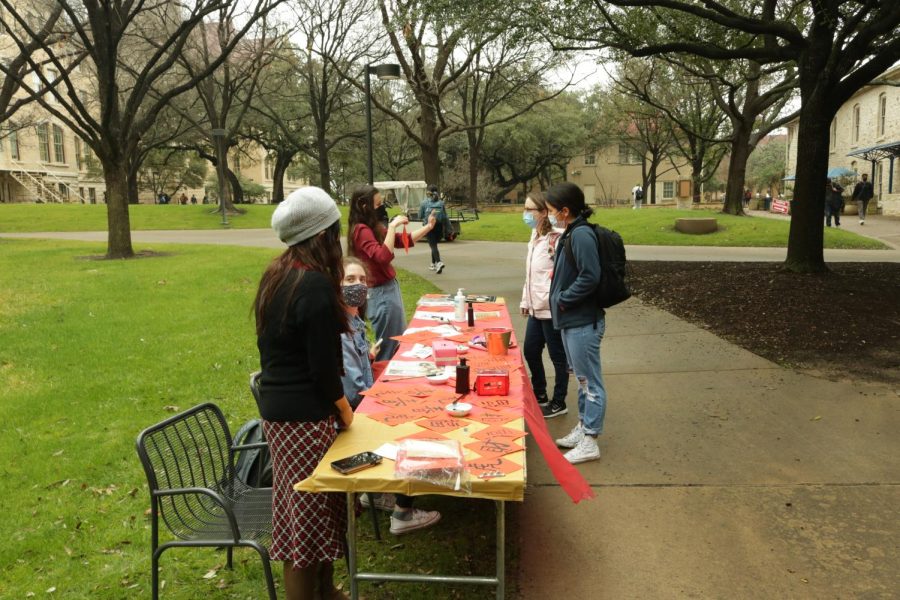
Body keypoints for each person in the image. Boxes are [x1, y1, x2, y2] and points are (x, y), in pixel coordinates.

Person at [253, 186, 353, 600]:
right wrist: (346, 412)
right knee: (304, 525)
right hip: (302, 420)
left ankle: (327, 591)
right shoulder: (311, 286)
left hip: (287, 415)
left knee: (320, 513)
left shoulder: (279, 273)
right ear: (323, 235)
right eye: (335, 230)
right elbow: (322, 370)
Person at [339, 257, 442, 534]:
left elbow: (359, 374)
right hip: (352, 415)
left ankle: (375, 492)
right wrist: (388, 398)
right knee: (417, 423)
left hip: (361, 404)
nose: (358, 285)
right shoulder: (340, 329)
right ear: (335, 285)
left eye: (362, 280)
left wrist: (371, 359)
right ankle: (403, 512)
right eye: (350, 280)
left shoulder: (354, 321)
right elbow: (353, 391)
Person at [546, 182, 607, 464]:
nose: (549, 215)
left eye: (550, 211)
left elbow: (590, 276)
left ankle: (591, 438)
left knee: (590, 381)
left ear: (565, 210)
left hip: (583, 321)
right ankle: (584, 427)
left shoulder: (581, 235)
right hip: (572, 321)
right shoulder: (571, 232)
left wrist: (564, 298)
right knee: (581, 380)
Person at [347, 184, 436, 361]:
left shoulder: (372, 226)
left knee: (397, 339)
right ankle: (383, 381)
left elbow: (401, 241)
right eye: (377, 204)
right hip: (380, 293)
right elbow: (382, 257)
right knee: (389, 343)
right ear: (364, 206)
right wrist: (394, 225)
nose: (381, 208)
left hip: (388, 289)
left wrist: (428, 227)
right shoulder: (361, 230)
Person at [519, 191, 569, 419]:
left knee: (557, 357)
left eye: (530, 209)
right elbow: (531, 274)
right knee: (530, 350)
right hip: (535, 308)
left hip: (551, 309)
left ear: (543, 212)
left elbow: (561, 275)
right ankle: (540, 393)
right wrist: (525, 300)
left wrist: (555, 300)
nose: (525, 213)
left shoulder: (557, 238)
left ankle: (559, 401)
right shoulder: (534, 235)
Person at [418, 184, 449, 274]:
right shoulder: (441, 203)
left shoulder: (424, 203)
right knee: (434, 245)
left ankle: (439, 262)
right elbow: (445, 216)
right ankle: (433, 264)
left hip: (429, 226)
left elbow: (420, 216)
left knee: (433, 246)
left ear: (428, 192)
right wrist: (449, 228)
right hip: (439, 226)